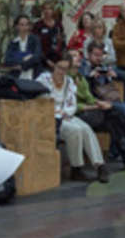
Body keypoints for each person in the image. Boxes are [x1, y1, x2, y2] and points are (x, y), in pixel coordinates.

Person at [68, 49, 125, 174]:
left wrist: (100, 103)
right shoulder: (69, 78)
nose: (78, 58)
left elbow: (89, 98)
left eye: (78, 56)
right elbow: (73, 105)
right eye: (74, 56)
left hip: (92, 110)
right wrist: (97, 105)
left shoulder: (80, 77)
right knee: (115, 113)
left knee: (114, 119)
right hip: (77, 115)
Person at [37, 55, 109, 183]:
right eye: (59, 68)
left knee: (85, 128)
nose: (62, 72)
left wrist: (65, 112)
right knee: (75, 130)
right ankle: (77, 168)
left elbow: (72, 104)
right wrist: (57, 112)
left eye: (65, 69)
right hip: (51, 117)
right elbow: (41, 101)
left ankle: (100, 165)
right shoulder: (43, 80)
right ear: (54, 66)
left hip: (66, 115)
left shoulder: (69, 81)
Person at [83, 41, 125, 133]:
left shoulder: (103, 67)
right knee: (123, 108)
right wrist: (90, 77)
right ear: (88, 55)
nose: (98, 58)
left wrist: (114, 74)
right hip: (98, 103)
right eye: (96, 55)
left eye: (100, 55)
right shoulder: (84, 68)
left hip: (113, 99)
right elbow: (81, 88)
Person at [1, 14, 43, 79]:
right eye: (22, 25)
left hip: (33, 76)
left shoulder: (35, 40)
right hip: (17, 78)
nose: (25, 27)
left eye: (27, 25)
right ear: (17, 26)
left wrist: (21, 66)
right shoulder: (13, 43)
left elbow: (36, 57)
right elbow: (7, 61)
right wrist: (24, 58)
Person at [33, 1, 66, 69]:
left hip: (58, 60)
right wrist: (46, 60)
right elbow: (35, 45)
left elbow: (63, 43)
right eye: (45, 9)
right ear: (42, 11)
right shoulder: (38, 25)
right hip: (43, 61)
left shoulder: (58, 25)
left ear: (53, 11)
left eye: (49, 9)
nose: (47, 11)